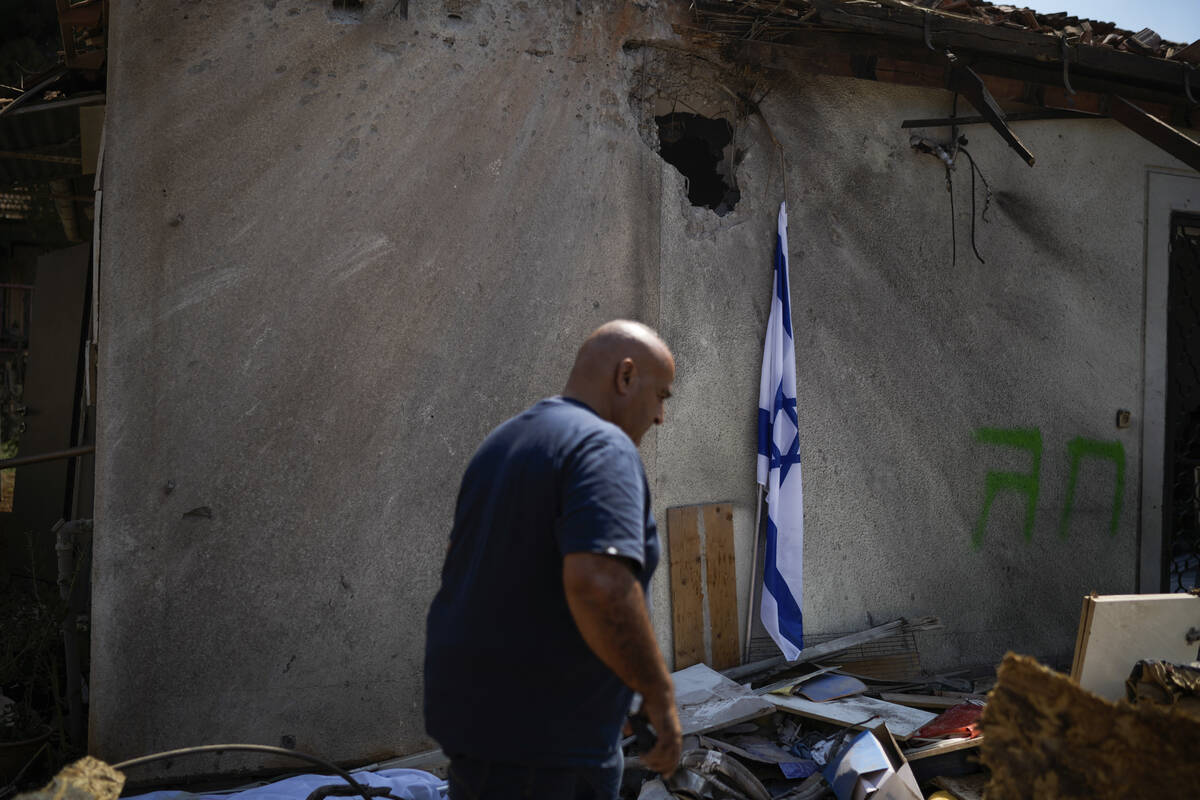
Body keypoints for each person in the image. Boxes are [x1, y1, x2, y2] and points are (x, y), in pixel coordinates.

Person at [424, 320, 683, 800]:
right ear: (626, 377)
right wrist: (659, 695)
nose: (660, 417)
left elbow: (463, 566)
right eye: (662, 396)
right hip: (550, 753)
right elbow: (601, 584)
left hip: (479, 736)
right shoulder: (603, 447)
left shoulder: (502, 443)